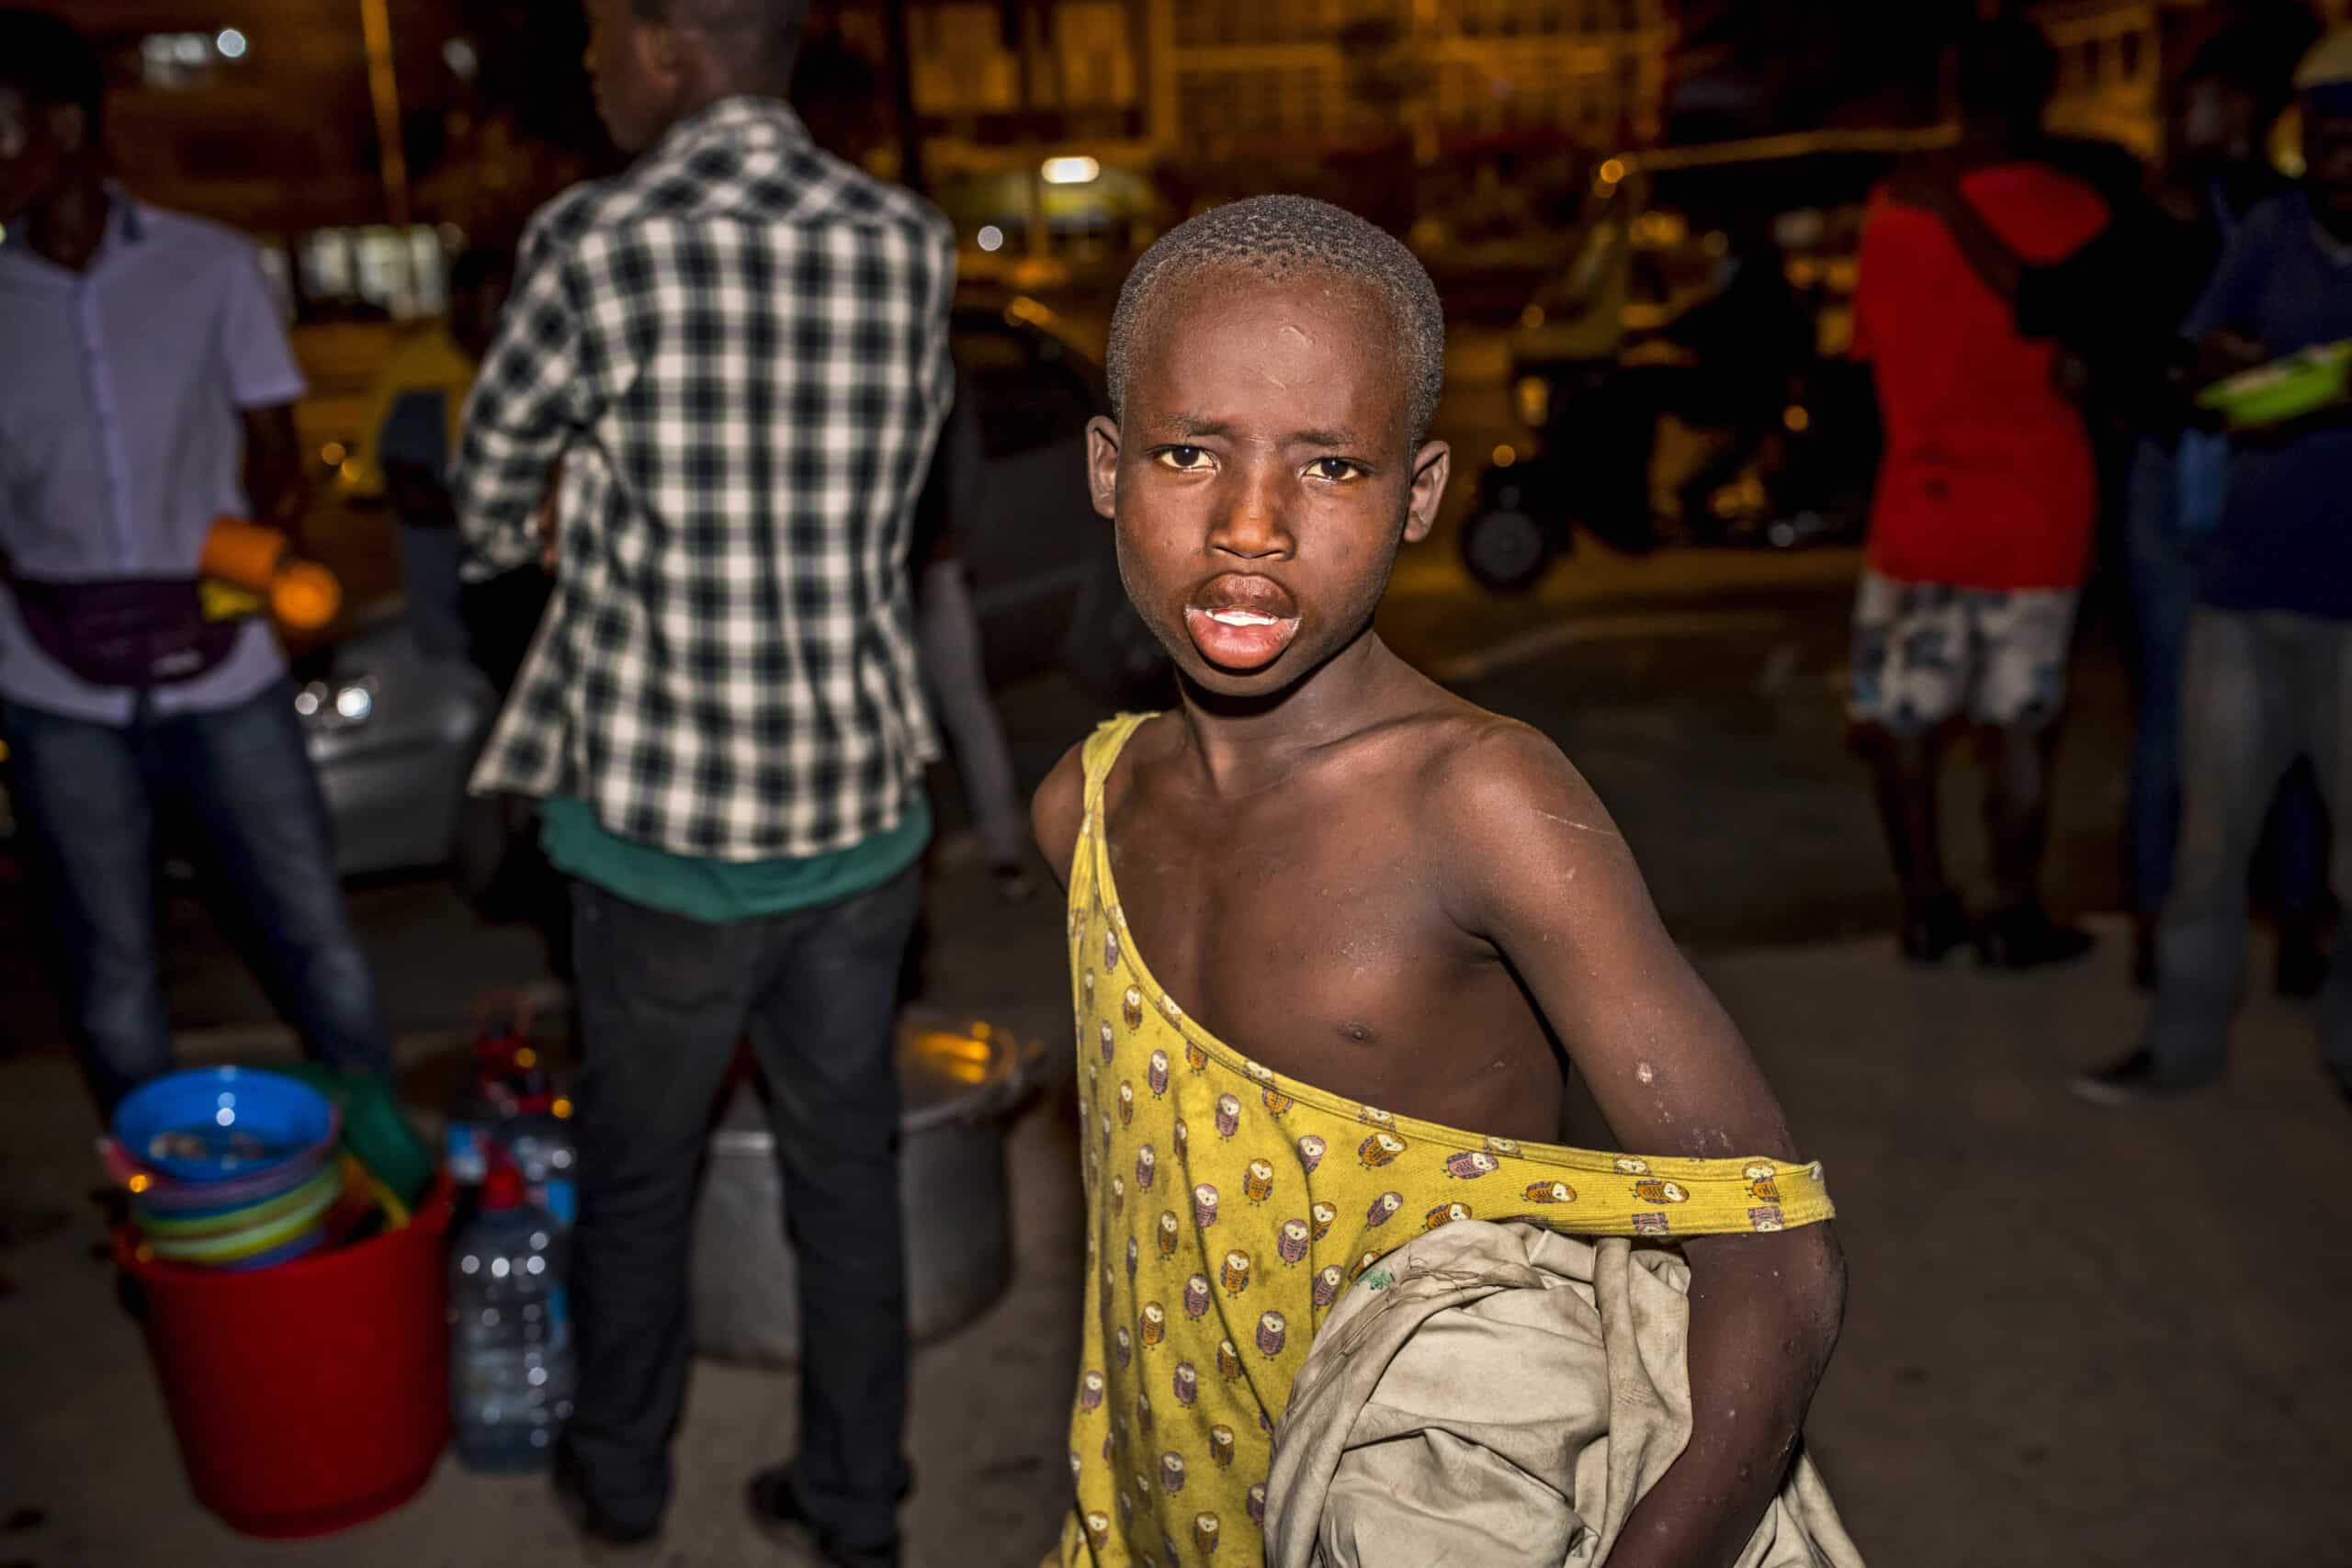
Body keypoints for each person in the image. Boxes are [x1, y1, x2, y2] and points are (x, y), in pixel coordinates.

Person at [1031, 196, 1846, 1568]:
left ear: (1419, 493)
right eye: (1189, 452)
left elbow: (1776, 1256)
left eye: (1331, 468)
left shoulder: (1483, 804)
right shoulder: (1088, 810)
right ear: (1109, 466)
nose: (1250, 525)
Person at [450, 1, 953, 1561]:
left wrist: (578, 502)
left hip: (663, 832)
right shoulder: (907, 240)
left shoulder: (597, 243)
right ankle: (859, 1507)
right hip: (864, 813)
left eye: (602, 34)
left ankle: (622, 1480)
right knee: (846, 1178)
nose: (590, 63)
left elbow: (480, 500)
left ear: (672, 44)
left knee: (642, 1175)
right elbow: (903, 491)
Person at [0, 9, 393, 1112]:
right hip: (53, 682)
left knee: (316, 931)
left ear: (66, 126)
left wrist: (255, 569)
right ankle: (159, 1215)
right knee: (113, 967)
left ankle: (380, 1183)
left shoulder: (210, 268)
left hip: (226, 671)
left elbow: (277, 456)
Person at [1890, 19, 2328, 994]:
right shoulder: (2202, 211)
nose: (2182, 116)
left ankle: (2190, 926)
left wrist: (1952, 212)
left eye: (2194, 98)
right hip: (2207, 478)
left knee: (2206, 712)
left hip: (2180, 479)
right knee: (2242, 711)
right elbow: (2054, 310)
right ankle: (2249, 924)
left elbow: (2038, 304)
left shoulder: (2198, 212)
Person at [2076, 30, 2352, 1106]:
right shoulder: (2273, 230)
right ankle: (2182, 1045)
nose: (2341, 163)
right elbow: (2194, 363)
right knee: (2207, 843)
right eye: (2326, 140)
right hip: (2237, 591)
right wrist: (2222, 365)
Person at [1845, 17, 2109, 969]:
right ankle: (2011, 915)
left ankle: (1923, 908)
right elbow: (2085, 356)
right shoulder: (2078, 211)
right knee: (2020, 729)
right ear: (2041, 95)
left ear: (1954, 88)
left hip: (1922, 508)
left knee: (1903, 723)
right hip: (2037, 514)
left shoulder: (1896, 210)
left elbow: (1872, 352)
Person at [913, 366, 1035, 898]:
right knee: (900, 721)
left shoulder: (939, 366)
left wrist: (949, 536)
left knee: (966, 707)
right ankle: (914, 858)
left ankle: (1004, 847)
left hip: (934, 567)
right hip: (874, 571)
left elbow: (965, 463)